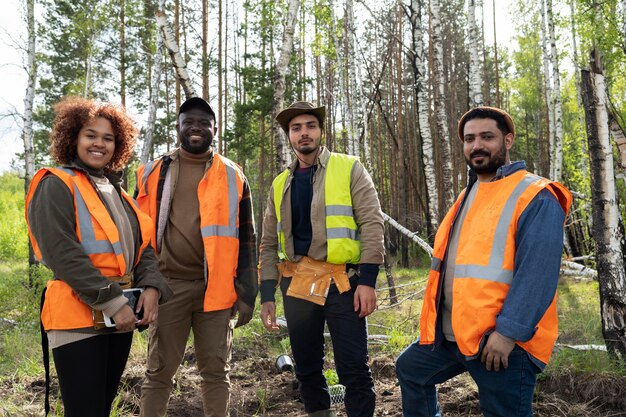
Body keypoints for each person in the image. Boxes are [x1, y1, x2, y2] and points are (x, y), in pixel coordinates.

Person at [395, 107, 572, 417]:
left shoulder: (536, 195)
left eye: (487, 137)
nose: (477, 145)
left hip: (501, 344)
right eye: (469, 138)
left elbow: (538, 274)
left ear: (507, 140)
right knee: (411, 370)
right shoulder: (469, 194)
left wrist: (507, 334)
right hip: (454, 335)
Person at [25, 96, 172, 417]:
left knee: (100, 409)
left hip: (118, 316)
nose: (99, 144)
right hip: (79, 317)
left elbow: (143, 247)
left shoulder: (116, 191)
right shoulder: (55, 184)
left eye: (108, 138)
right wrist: (113, 302)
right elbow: (62, 253)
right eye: (90, 135)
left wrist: (151, 287)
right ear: (73, 137)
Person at [259, 101, 385, 417]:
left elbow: (372, 223)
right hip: (298, 283)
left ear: (321, 131)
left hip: (344, 283)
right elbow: (267, 243)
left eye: (310, 126)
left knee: (354, 367)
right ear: (289, 136)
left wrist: (367, 281)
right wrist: (267, 295)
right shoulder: (279, 184)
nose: (304, 134)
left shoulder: (350, 167)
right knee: (307, 369)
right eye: (296, 128)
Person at [135, 96, 258, 417]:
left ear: (214, 129)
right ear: (177, 127)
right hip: (167, 288)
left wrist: (247, 293)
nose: (196, 128)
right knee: (158, 374)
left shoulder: (233, 175)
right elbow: (137, 236)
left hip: (216, 291)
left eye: (204, 122)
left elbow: (248, 239)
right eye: (189, 121)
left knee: (216, 373)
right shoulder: (152, 173)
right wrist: (143, 285)